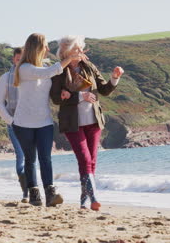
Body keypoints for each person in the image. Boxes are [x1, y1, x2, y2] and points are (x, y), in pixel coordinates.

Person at [50, 35, 124, 211]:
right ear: (67, 52)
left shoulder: (88, 66)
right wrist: (79, 96)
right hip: (72, 123)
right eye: (77, 49)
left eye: (81, 48)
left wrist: (114, 78)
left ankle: (84, 199)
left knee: (91, 162)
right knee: (84, 159)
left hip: (93, 121)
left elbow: (104, 90)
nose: (81, 52)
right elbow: (55, 98)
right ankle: (94, 197)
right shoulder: (59, 70)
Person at [12, 33, 84, 207]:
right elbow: (50, 72)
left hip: (44, 121)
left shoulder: (43, 66)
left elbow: (53, 79)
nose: (48, 49)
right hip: (24, 124)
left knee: (46, 158)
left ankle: (50, 195)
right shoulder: (24, 68)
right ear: (37, 48)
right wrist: (70, 58)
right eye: (45, 46)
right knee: (30, 159)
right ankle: (34, 194)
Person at [0, 47, 29, 203]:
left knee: (31, 157)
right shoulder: (5, 78)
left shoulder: (31, 77)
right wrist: (10, 121)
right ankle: (26, 192)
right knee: (21, 156)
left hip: (32, 122)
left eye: (23, 59)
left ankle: (32, 189)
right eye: (17, 58)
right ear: (13, 59)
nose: (20, 61)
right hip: (14, 123)